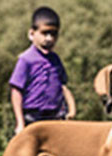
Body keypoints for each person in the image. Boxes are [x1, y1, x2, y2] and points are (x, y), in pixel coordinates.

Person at [9, 5, 76, 134]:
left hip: (55, 116)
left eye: (54, 34)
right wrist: (20, 122)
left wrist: (72, 109)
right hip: (32, 117)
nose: (49, 39)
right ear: (32, 34)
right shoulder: (25, 60)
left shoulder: (55, 59)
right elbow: (16, 91)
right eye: (44, 33)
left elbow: (63, 86)